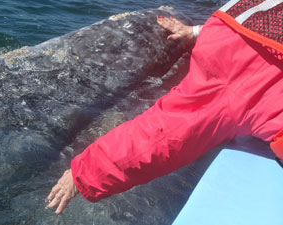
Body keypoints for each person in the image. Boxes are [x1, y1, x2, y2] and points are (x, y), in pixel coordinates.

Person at [46, 0, 283, 214]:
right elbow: (167, 134)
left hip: (237, 24)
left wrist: (199, 31)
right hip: (254, 59)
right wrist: (86, 172)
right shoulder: (246, 88)